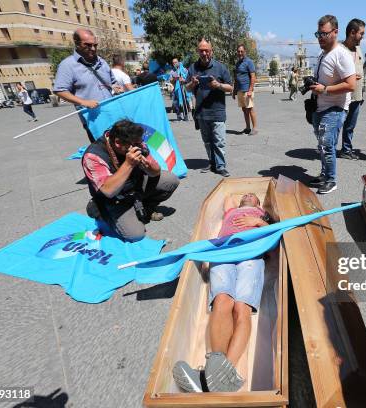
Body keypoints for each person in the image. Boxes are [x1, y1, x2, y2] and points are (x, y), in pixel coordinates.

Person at [172, 193, 270, 393]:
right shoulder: (232, 211)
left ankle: (216, 376)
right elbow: (229, 197)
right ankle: (218, 375)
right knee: (222, 301)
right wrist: (243, 201)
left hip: (251, 253)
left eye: (253, 196)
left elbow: (273, 233)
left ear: (259, 205)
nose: (248, 195)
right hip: (223, 252)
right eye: (246, 195)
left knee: (241, 308)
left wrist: (258, 220)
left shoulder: (261, 214)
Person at [81, 119, 179, 242]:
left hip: (134, 185)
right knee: (136, 234)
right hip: (113, 199)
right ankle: (105, 217)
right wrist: (129, 164)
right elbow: (108, 190)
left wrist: (147, 166)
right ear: (117, 143)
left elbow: (156, 171)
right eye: (136, 144)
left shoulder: (136, 143)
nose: (140, 146)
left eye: (140, 143)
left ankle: (146, 208)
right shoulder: (93, 156)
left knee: (171, 180)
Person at [308, 15, 356, 194]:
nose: (320, 37)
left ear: (335, 32)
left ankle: (331, 180)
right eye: (318, 33)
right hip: (320, 106)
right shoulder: (323, 53)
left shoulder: (341, 54)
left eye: (324, 33)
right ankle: (324, 174)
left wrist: (325, 89)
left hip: (335, 108)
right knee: (321, 145)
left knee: (327, 145)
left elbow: (351, 84)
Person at [53, 29, 117, 143]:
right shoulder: (67, 65)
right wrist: (84, 102)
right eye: (87, 45)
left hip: (114, 115)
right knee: (105, 156)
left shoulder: (102, 62)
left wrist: (116, 88)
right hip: (94, 120)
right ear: (77, 44)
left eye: (95, 45)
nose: (92, 48)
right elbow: (60, 90)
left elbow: (113, 82)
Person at [186, 38, 234, 177]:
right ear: (198, 52)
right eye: (201, 50)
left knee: (219, 141)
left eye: (207, 50)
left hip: (217, 111)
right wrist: (192, 84)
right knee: (207, 141)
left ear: (211, 51)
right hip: (201, 112)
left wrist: (218, 85)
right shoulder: (193, 68)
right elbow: (187, 89)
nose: (204, 53)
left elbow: (230, 87)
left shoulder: (220, 67)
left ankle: (220, 166)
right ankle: (212, 162)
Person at [337, 18, 366, 161]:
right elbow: (333, 74)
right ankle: (329, 150)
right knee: (336, 125)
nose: (363, 37)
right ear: (352, 32)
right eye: (361, 33)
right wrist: (351, 78)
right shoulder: (339, 50)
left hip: (356, 96)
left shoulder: (359, 49)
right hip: (341, 97)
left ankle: (346, 149)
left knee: (350, 126)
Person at [232, 45, 258, 135]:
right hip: (240, 90)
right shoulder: (238, 63)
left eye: (241, 51)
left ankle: (254, 129)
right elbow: (236, 78)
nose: (240, 53)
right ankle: (247, 127)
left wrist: (250, 90)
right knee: (244, 109)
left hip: (247, 90)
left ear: (245, 51)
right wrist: (234, 91)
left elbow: (253, 77)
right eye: (238, 51)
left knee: (250, 109)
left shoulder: (249, 62)